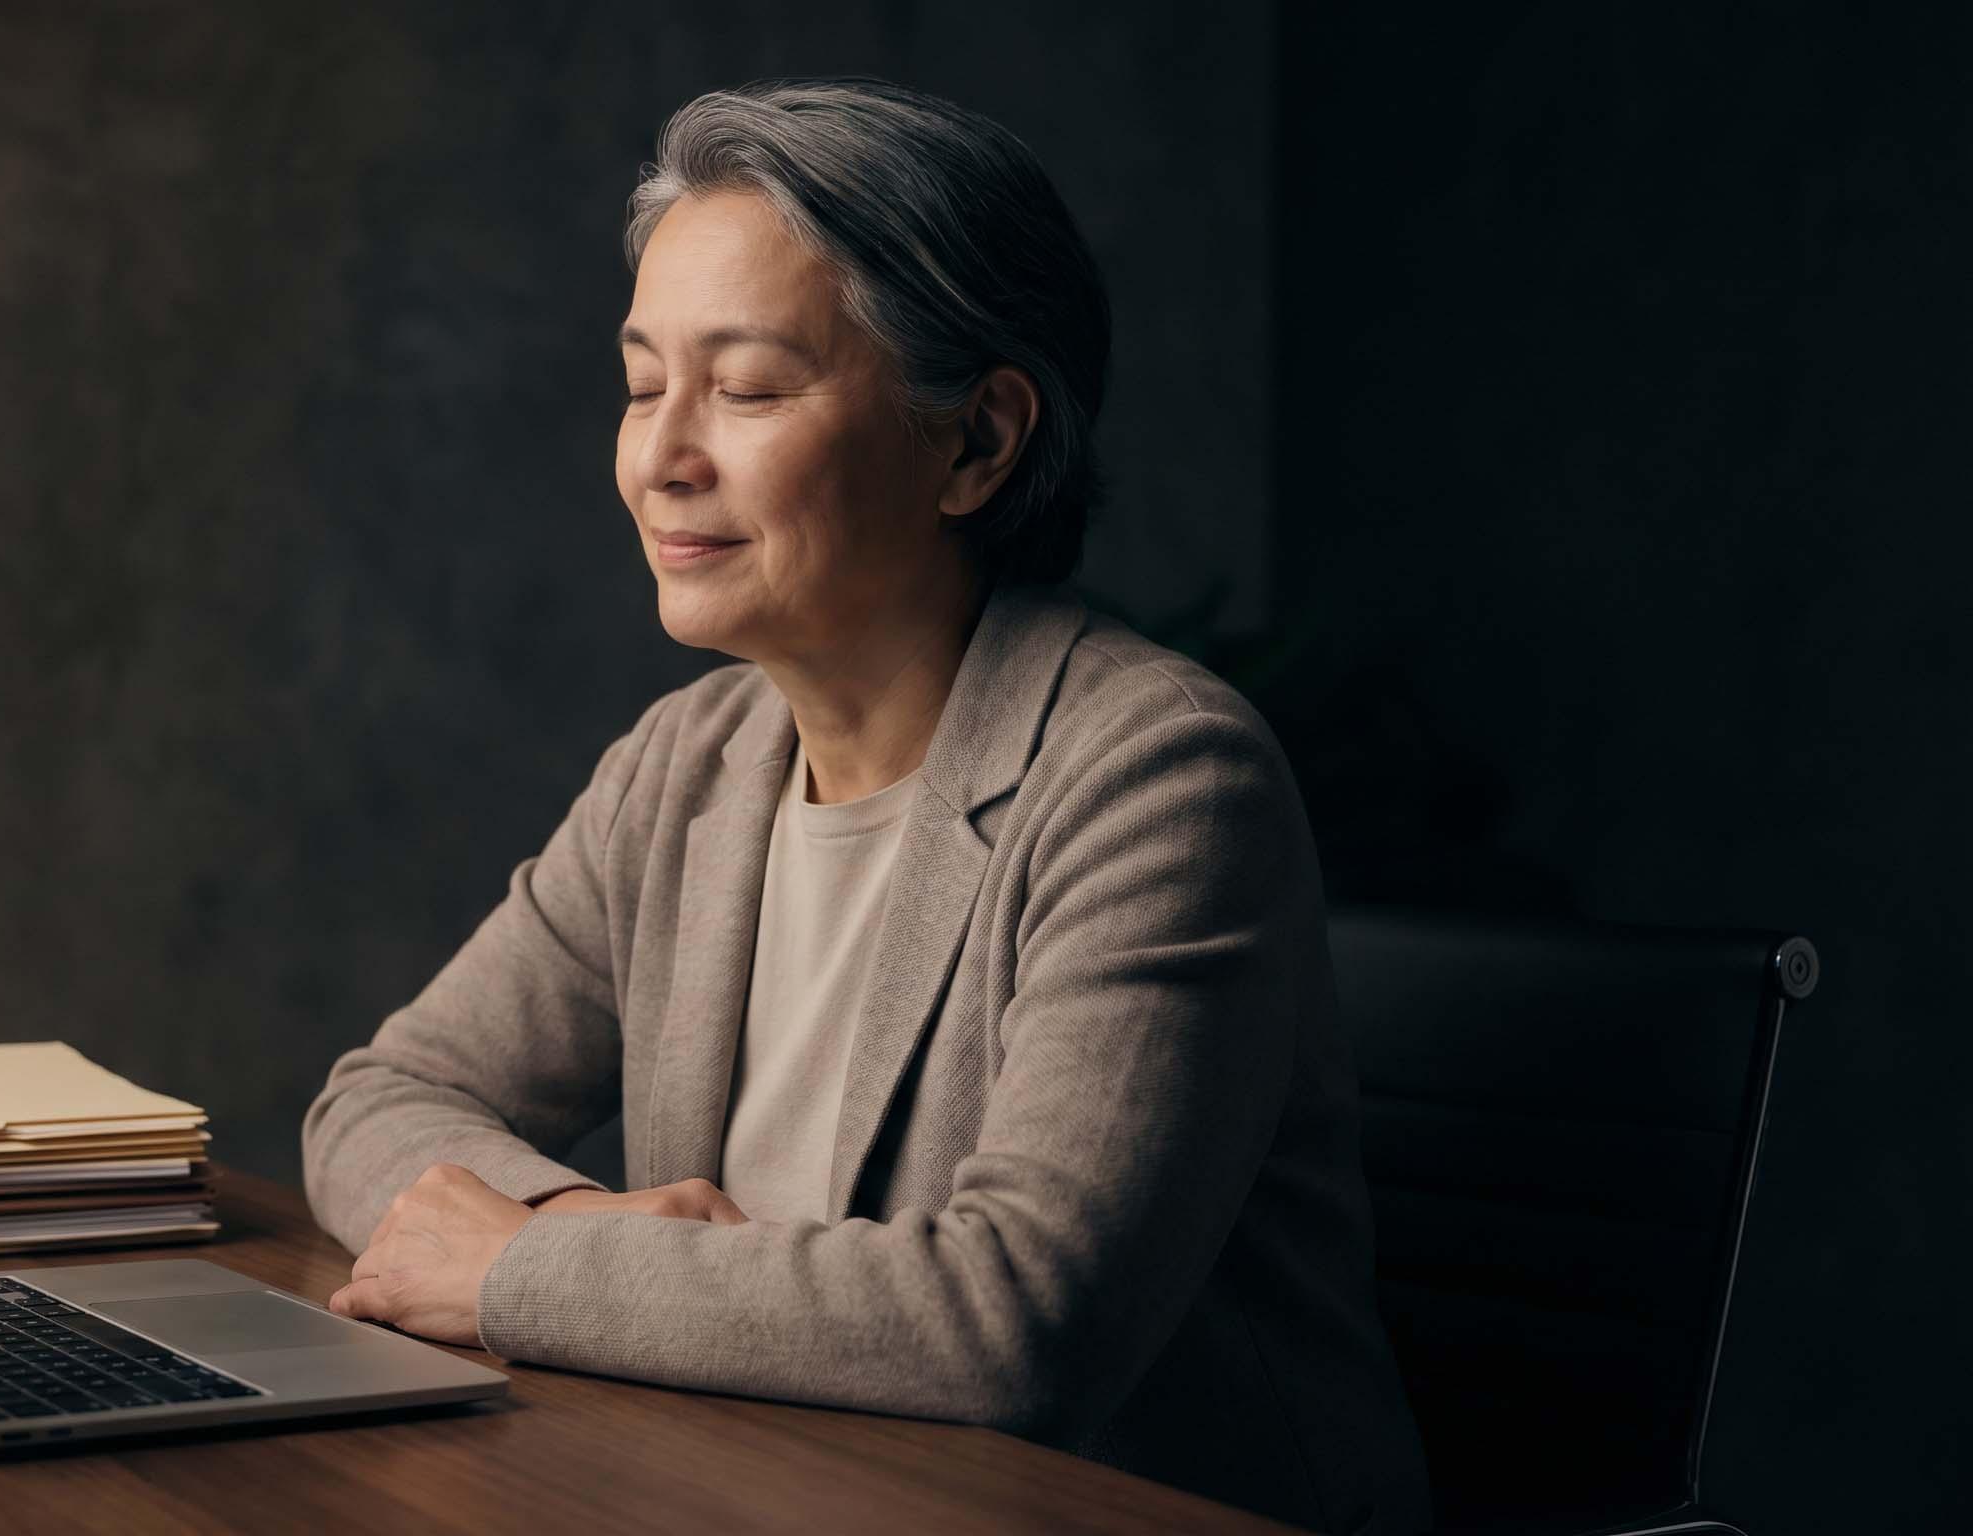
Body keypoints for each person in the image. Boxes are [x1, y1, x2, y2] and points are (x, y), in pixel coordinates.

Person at [301, 77, 1429, 1534]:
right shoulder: (687, 766)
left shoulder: (1159, 780)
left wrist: (517, 1265)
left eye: (750, 388)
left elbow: (1010, 1323)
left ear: (977, 442)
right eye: (646, 384)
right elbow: (379, 1104)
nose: (662, 456)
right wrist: (569, 1222)